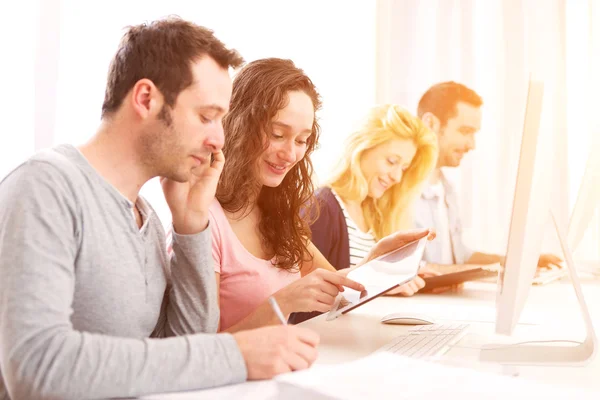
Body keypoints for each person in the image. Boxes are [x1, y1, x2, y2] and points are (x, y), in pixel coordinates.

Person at [0, 18, 320, 400]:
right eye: (207, 116)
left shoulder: (148, 219)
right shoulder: (45, 185)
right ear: (146, 99)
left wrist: (191, 227)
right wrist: (233, 353)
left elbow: (185, 348)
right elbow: (35, 367)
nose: (219, 138)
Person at [209, 59, 431, 332]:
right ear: (239, 126)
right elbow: (202, 350)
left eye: (302, 140)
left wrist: (375, 262)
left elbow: (337, 291)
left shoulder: (276, 215)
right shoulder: (205, 222)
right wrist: (282, 303)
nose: (290, 154)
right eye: (278, 134)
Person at [414, 81, 562, 270]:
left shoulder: (446, 188)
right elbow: (413, 269)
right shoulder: (398, 188)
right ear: (430, 123)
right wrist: (478, 272)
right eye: (465, 131)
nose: (471, 145)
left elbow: (460, 257)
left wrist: (516, 263)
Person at [308, 104, 439, 296]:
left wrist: (407, 276)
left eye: (403, 168)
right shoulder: (322, 207)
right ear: (362, 149)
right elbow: (310, 296)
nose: (397, 177)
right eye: (392, 161)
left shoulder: (374, 212)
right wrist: (378, 285)